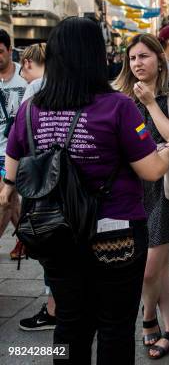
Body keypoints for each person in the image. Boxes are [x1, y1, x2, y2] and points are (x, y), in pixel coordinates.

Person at [0, 17, 169, 365]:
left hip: (55, 235)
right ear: (96, 56)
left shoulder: (29, 111)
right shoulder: (119, 107)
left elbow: (10, 180)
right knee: (115, 327)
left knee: (69, 324)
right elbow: (150, 171)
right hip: (115, 235)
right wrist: (168, 151)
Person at [114, 33, 169, 359]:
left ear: (158, 58)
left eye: (143, 56)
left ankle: (147, 317)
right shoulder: (121, 94)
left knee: (149, 267)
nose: (137, 63)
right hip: (135, 188)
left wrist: (151, 102)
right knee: (161, 265)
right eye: (132, 58)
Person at [13, 42, 58, 332]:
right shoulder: (58, 83)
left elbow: (19, 132)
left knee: (45, 240)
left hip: (39, 176)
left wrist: (9, 183)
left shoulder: (35, 88)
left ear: (29, 63)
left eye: (23, 66)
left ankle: (53, 309)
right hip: (57, 173)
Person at [0, 29, 27, 260]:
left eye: (0, 51)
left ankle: (25, 239)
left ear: (10, 50)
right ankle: (26, 238)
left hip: (16, 153)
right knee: (10, 199)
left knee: (4, 199)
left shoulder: (24, 76)